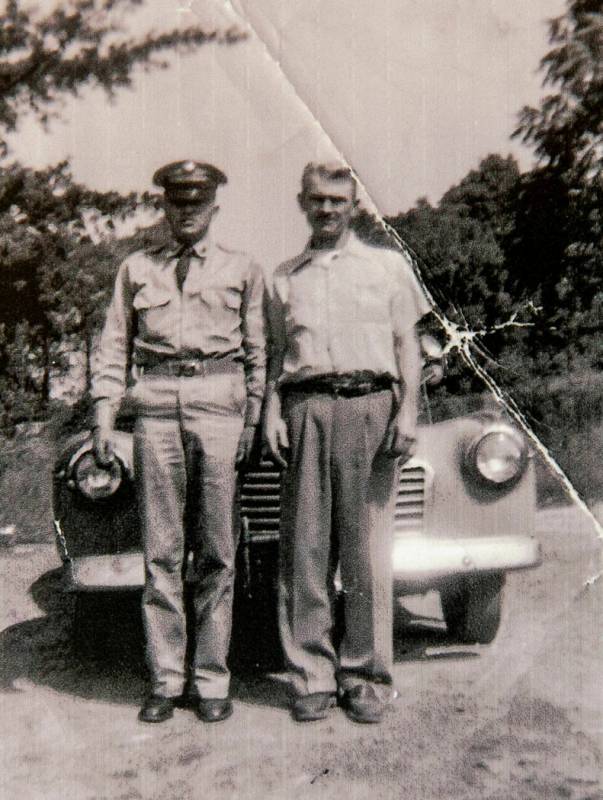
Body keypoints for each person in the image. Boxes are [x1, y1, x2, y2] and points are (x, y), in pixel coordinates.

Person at [91, 160, 266, 724]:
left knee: (218, 549)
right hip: (157, 403)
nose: (187, 211)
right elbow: (114, 345)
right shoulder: (137, 269)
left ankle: (212, 679)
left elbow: (258, 351)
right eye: (177, 202)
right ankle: (166, 678)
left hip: (219, 400)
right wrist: (103, 415)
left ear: (214, 206)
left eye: (198, 201)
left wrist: (254, 419)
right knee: (161, 551)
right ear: (164, 208)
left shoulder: (243, 268)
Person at [263, 162, 429, 724]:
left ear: (355, 204)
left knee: (366, 551)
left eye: (338, 199)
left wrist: (407, 410)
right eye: (317, 199)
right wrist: (270, 414)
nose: (327, 209)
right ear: (301, 202)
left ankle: (364, 676)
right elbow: (272, 358)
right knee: (305, 550)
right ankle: (310, 674)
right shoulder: (284, 277)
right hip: (305, 405)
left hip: (372, 408)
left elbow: (409, 346)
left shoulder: (388, 267)